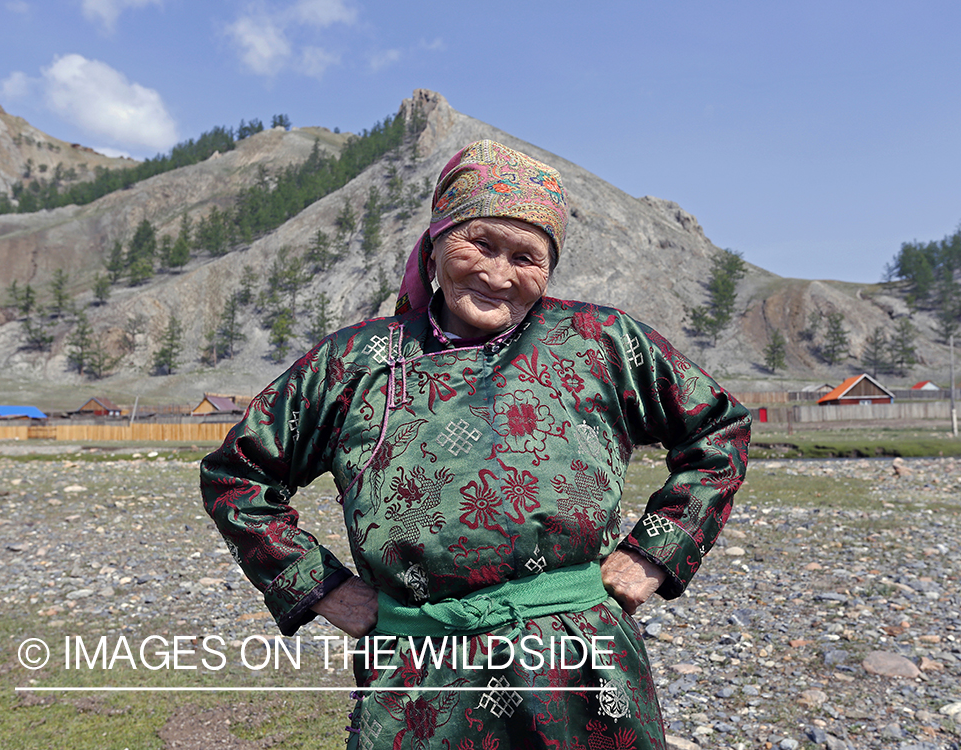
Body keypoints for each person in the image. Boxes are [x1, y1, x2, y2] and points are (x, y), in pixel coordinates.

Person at [201, 140, 750, 748]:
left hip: (579, 662)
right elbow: (238, 476)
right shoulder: (354, 361)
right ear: (436, 241)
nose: (497, 274)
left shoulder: (599, 341)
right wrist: (322, 587)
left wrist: (655, 554)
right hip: (419, 670)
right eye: (481, 244)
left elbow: (718, 428)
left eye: (526, 257)